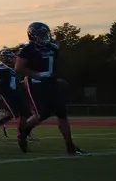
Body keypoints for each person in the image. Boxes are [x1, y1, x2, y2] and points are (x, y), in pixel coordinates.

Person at [15, 22, 88, 156]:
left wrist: (55, 78)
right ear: (33, 35)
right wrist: (35, 74)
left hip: (51, 84)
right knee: (42, 114)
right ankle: (23, 131)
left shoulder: (53, 47)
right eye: (41, 34)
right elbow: (19, 68)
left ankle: (70, 146)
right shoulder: (28, 49)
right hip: (36, 84)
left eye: (45, 34)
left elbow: (52, 67)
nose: (45, 37)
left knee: (62, 113)